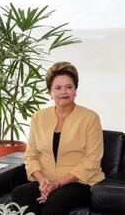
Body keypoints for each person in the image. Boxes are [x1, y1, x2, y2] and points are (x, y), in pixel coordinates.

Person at [11, 62, 105, 214]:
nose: (64, 92)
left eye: (69, 87)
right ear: (50, 92)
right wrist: (42, 181)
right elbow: (31, 155)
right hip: (46, 181)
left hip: (80, 182)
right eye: (58, 88)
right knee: (20, 193)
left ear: (75, 90)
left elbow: (92, 161)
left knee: (57, 199)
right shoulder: (39, 117)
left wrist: (57, 184)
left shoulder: (90, 118)